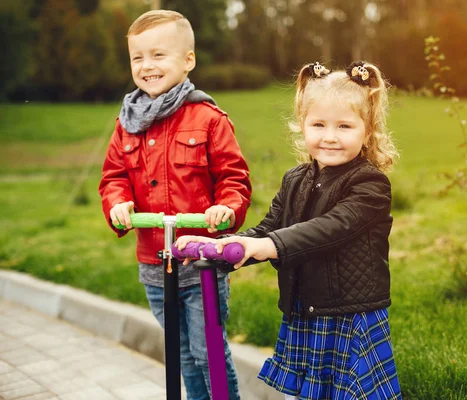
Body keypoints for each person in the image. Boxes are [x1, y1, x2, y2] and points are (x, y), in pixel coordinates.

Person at [176, 61, 402, 399]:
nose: (330, 136)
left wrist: (269, 246)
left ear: (367, 131)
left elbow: (330, 229)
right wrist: (221, 245)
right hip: (306, 313)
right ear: (303, 125)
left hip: (347, 316)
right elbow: (268, 228)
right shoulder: (296, 179)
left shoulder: (369, 184)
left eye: (344, 126)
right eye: (319, 124)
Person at [98, 10, 251, 400]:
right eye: (138, 57)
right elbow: (114, 176)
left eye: (158, 55)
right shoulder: (127, 122)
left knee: (208, 353)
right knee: (181, 355)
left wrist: (226, 210)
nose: (147, 65)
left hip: (201, 264)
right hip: (154, 264)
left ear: (188, 60)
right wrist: (118, 204)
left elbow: (234, 179)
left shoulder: (208, 118)